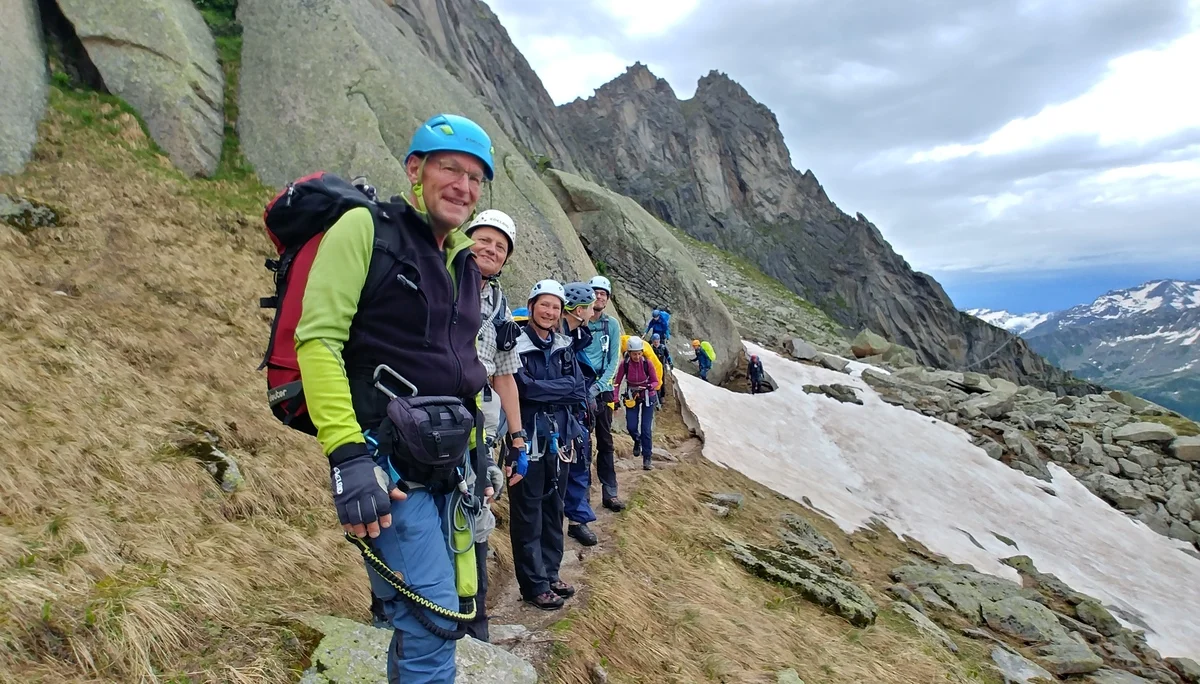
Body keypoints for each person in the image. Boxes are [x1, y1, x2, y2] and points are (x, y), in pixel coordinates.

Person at [295, 113, 494, 682]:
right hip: (383, 465)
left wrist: (480, 458)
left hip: (444, 465)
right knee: (434, 621)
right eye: (448, 168)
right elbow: (319, 341)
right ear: (415, 169)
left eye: (475, 177)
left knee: (403, 612)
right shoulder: (366, 229)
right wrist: (348, 456)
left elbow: (462, 371)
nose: (462, 185)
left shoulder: (463, 261)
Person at [463, 208, 527, 642]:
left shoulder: (500, 306)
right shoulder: (440, 280)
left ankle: (475, 626)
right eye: (484, 240)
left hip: (479, 424)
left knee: (478, 509)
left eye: (500, 246)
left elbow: (505, 376)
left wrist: (518, 435)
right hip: (432, 412)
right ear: (467, 240)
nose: (491, 249)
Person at [510, 279, 588, 610]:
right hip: (528, 437)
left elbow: (577, 386)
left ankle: (551, 572)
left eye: (555, 307)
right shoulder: (515, 344)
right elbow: (522, 389)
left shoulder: (562, 345)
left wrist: (545, 388)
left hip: (559, 436)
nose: (549, 311)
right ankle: (534, 585)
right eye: (544, 305)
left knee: (553, 506)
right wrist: (557, 388)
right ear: (531, 307)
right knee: (528, 511)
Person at [559, 282, 600, 546]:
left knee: (579, 462)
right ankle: (570, 520)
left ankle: (576, 520)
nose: (593, 312)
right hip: (560, 414)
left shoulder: (575, 336)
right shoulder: (559, 337)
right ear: (579, 309)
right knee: (570, 466)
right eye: (590, 307)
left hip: (575, 413)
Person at [582, 276, 625, 512]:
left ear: (607, 299)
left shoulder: (612, 325)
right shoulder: (580, 322)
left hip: (603, 392)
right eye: (595, 292)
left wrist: (598, 387)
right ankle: (583, 498)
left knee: (606, 441)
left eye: (603, 294)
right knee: (583, 445)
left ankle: (610, 493)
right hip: (581, 392)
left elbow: (614, 361)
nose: (599, 296)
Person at [614, 337, 660, 470]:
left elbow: (655, 381)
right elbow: (617, 382)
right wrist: (615, 399)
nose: (637, 356)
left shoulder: (647, 363)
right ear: (629, 352)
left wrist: (650, 386)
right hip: (631, 396)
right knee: (631, 426)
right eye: (634, 353)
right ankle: (637, 440)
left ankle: (647, 458)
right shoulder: (625, 364)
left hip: (647, 395)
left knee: (646, 429)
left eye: (639, 353)